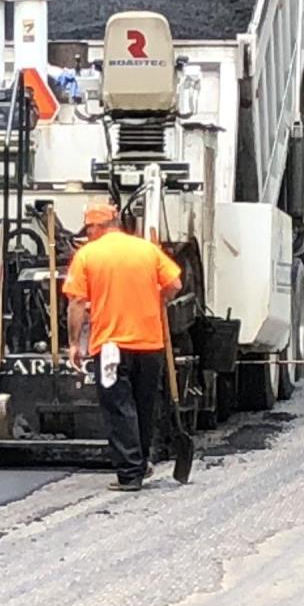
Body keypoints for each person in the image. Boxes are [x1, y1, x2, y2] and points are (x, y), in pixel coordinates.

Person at [64, 200, 182, 493]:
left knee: (119, 406)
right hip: (150, 343)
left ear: (95, 227)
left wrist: (74, 343)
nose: (87, 234)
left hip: (111, 346)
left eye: (88, 229)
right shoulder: (145, 249)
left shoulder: (87, 255)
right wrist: (158, 299)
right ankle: (141, 462)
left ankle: (130, 474)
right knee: (144, 405)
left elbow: (77, 302)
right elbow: (175, 285)